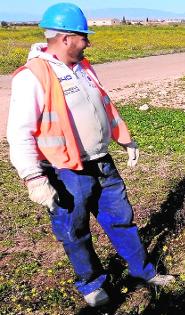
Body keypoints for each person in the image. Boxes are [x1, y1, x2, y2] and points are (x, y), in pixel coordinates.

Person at [6, 3, 174, 307]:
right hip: (65, 171)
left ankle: (143, 272)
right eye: (84, 37)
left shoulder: (84, 68)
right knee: (75, 231)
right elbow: (19, 132)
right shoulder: (32, 76)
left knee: (122, 220)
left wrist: (125, 140)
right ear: (66, 38)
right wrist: (34, 178)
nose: (88, 42)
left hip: (101, 163)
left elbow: (104, 108)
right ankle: (91, 284)